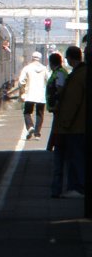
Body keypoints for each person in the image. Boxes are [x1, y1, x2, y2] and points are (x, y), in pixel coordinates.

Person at [48, 45, 86, 198]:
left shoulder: (77, 76)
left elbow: (72, 102)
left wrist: (64, 123)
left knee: (75, 159)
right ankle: (75, 187)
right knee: (75, 158)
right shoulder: (79, 74)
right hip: (77, 125)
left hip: (75, 126)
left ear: (70, 58)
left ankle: (77, 188)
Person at [17, 50, 49, 139]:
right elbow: (49, 80)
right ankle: (37, 134)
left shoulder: (27, 68)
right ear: (40, 59)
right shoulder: (44, 69)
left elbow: (21, 81)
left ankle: (30, 126)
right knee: (40, 114)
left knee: (27, 112)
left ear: (32, 58)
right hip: (41, 95)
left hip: (29, 94)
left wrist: (22, 91)